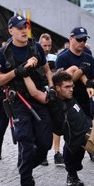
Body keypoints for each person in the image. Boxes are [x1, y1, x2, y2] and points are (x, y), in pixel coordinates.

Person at [0, 15, 53, 186]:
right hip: (18, 100)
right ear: (11, 30)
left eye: (25, 26)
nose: (24, 30)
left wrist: (50, 88)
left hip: (38, 97)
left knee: (44, 145)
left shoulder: (36, 47)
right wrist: (16, 72)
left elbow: (47, 69)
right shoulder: (4, 53)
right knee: (25, 142)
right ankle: (26, 185)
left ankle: (24, 167)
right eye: (19, 28)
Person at [55, 26, 94, 163]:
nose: (82, 42)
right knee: (71, 136)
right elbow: (62, 83)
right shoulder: (62, 58)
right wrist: (80, 72)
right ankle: (71, 172)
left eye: (84, 39)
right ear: (71, 39)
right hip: (69, 103)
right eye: (79, 39)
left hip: (86, 101)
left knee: (88, 130)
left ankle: (91, 150)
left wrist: (93, 85)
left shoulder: (89, 58)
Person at [39, 33, 63, 165]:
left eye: (49, 45)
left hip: (53, 94)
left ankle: (57, 152)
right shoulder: (35, 58)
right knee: (43, 125)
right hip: (40, 94)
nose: (47, 48)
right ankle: (43, 154)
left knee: (56, 124)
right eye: (44, 46)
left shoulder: (54, 58)